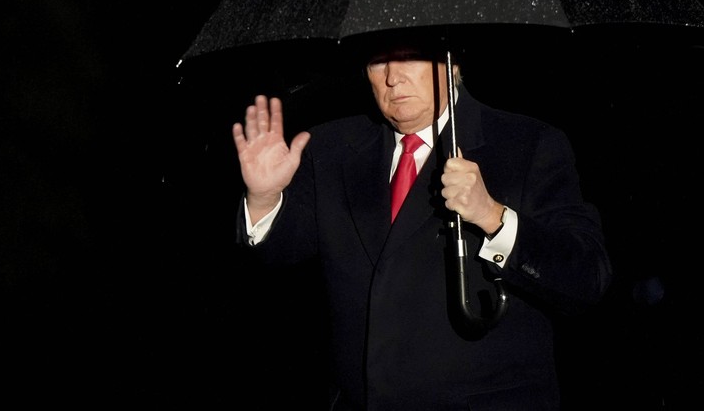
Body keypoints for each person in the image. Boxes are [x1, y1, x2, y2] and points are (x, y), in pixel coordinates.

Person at [231, 40, 612, 410]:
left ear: (453, 63)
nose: (393, 78)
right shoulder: (333, 147)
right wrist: (264, 199)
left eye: (409, 57)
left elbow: (585, 280)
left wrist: (492, 216)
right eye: (378, 62)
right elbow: (277, 260)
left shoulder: (527, 144)